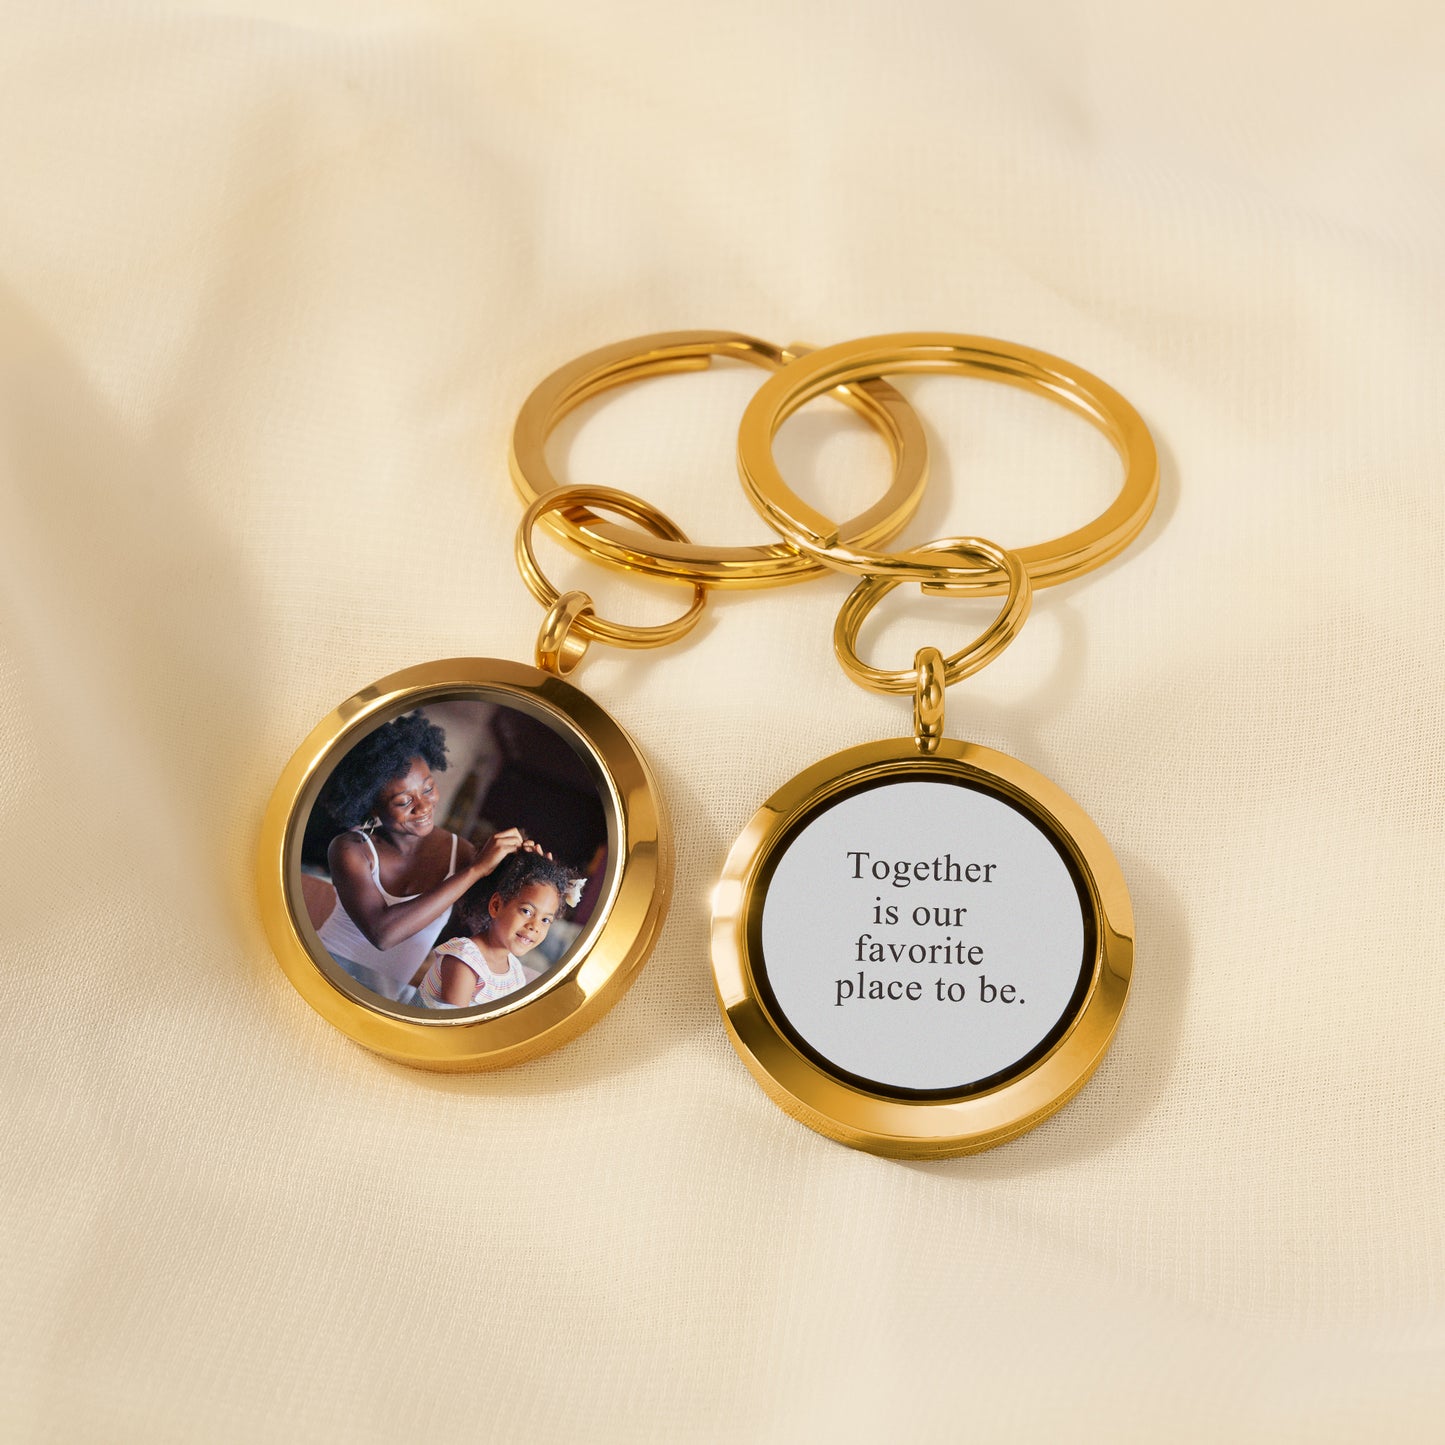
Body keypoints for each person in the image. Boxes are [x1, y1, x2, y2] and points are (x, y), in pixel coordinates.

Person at [314, 711, 542, 1002]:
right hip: (325, 974)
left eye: (428, 788)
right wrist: (474, 871)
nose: (422, 807)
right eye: (403, 801)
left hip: (386, 998)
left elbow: (501, 916)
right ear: (372, 806)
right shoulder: (351, 849)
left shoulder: (460, 854)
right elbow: (383, 934)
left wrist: (530, 871)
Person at [416, 853, 578, 1009]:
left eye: (545, 920)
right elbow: (452, 1025)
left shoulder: (515, 971)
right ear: (496, 906)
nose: (534, 926)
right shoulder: (465, 960)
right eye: (527, 911)